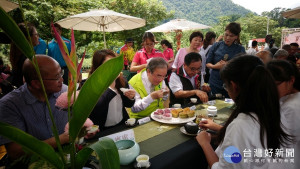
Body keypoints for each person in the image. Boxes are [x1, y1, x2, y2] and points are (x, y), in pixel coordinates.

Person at [197, 55, 292, 169]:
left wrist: (205, 144)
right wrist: (220, 128)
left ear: (234, 86)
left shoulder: (240, 126)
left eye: (226, 86)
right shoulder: (277, 111)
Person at [0, 55, 92, 161]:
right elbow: (15, 152)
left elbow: (77, 119)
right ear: (36, 83)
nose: (62, 80)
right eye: (57, 77)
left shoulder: (66, 92)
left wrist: (85, 129)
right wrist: (62, 139)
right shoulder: (9, 105)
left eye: (61, 73)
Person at [88, 50, 136, 131]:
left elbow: (128, 104)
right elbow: (97, 111)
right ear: (98, 67)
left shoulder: (122, 81)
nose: (113, 67)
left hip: (122, 125)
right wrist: (110, 85)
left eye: (114, 64)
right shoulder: (90, 86)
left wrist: (131, 98)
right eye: (108, 65)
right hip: (102, 130)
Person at [266, 60, 300, 169]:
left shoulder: (291, 107)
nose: (270, 89)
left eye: (275, 85)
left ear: (291, 80)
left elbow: (281, 144)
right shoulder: (288, 99)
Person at [206, 22, 245, 97]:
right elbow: (208, 63)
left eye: (231, 36)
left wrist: (228, 65)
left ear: (236, 37)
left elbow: (242, 68)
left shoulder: (240, 49)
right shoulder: (216, 45)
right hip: (214, 82)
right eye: (226, 35)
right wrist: (215, 66)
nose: (227, 38)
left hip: (231, 85)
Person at [9, 23, 40, 88]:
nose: (38, 37)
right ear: (28, 38)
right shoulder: (27, 58)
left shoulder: (20, 54)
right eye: (36, 34)